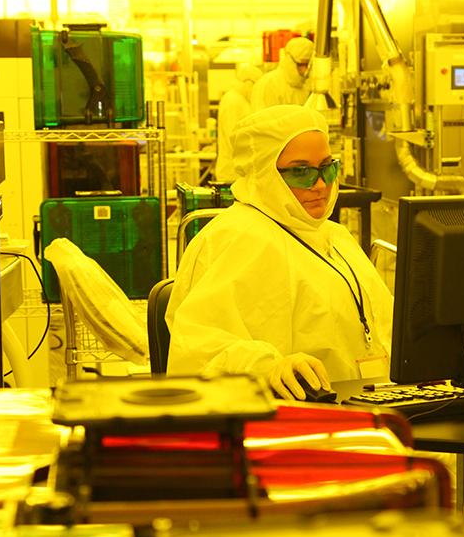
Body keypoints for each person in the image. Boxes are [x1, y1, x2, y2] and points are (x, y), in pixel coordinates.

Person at [165, 105, 393, 400]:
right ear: (263, 173)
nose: (321, 185)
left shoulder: (332, 236)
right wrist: (266, 368)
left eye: (328, 167)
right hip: (292, 419)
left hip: (368, 402)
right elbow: (197, 350)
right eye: (301, 172)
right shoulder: (234, 239)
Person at [215, 63, 263, 183]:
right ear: (248, 83)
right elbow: (234, 137)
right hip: (232, 173)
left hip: (238, 172)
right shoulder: (233, 101)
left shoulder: (240, 100)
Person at [250, 37, 314, 110]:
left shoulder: (306, 86)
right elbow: (263, 119)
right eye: (301, 64)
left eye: (308, 65)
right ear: (289, 61)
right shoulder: (269, 85)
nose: (305, 71)